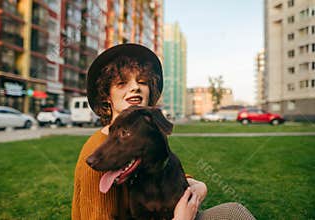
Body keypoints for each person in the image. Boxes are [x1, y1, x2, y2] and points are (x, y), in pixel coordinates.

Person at [71, 44, 255, 220]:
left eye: (142, 81)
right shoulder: (98, 155)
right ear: (106, 95)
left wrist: (199, 186)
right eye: (121, 83)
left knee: (235, 213)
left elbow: (160, 168)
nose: (135, 87)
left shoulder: (143, 131)